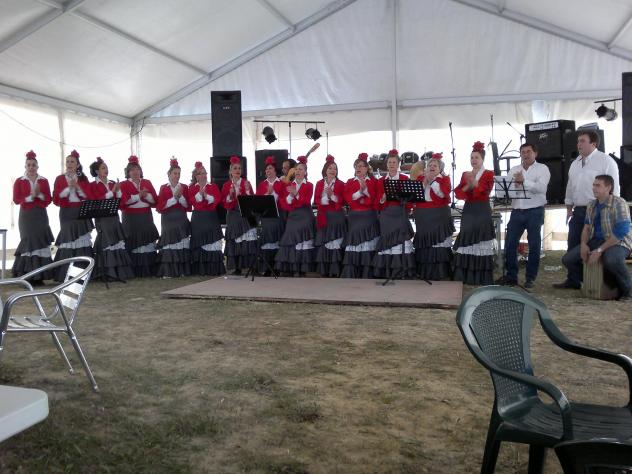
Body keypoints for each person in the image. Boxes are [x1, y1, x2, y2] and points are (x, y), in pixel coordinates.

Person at [557, 174, 631, 300]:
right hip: (596, 241)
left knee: (611, 260)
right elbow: (586, 228)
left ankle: (627, 290)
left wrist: (599, 250)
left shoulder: (619, 203)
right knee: (568, 259)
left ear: (608, 188)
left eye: (598, 185)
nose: (594, 188)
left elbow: (621, 231)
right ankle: (596, 283)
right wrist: (584, 244)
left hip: (619, 242)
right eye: (593, 185)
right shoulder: (591, 205)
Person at [560, 130, 620, 286]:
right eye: (578, 141)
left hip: (599, 210)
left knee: (595, 244)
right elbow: (570, 187)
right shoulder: (575, 163)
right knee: (573, 244)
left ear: (593, 144)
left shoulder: (606, 161)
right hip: (579, 210)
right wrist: (569, 208)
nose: (578, 144)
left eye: (582, 141)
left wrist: (610, 211)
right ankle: (574, 280)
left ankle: (598, 282)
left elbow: (615, 189)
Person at [497, 143, 550, 288]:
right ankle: (511, 276)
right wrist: (514, 186)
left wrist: (524, 181)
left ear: (535, 153)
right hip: (517, 211)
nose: (525, 154)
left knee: (534, 245)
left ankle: (530, 278)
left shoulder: (542, 169)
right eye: (523, 152)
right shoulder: (514, 169)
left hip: (535, 211)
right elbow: (505, 191)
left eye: (528, 151)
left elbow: (541, 188)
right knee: (510, 243)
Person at [453, 141, 496, 285]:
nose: (473, 160)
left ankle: (481, 277)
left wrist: (475, 184)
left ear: (482, 159)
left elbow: (486, 191)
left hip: (482, 209)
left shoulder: (489, 173)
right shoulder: (465, 174)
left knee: (481, 240)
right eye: (471, 157)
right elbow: (459, 193)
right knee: (467, 239)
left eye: (476, 157)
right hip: (469, 209)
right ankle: (465, 276)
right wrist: (468, 185)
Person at [88, 157, 134, 281]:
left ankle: (120, 272)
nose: (106, 170)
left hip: (114, 217)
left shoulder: (112, 183)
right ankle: (109, 272)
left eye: (106, 167)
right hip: (102, 218)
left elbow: (121, 202)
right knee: (107, 242)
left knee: (117, 241)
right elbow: (95, 201)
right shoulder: (92, 185)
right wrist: (112, 191)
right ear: (97, 171)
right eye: (103, 168)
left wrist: (118, 192)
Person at [11, 150, 54, 282]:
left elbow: (48, 199)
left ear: (37, 166)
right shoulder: (19, 181)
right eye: (28, 165)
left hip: (40, 216)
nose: (31, 167)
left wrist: (39, 195)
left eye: (33, 165)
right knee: (28, 241)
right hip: (26, 217)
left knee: (40, 241)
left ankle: (41, 276)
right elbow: (16, 199)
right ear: (25, 166)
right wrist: (31, 196)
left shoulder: (44, 181)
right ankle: (28, 276)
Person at [373, 149, 415, 279]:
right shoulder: (380, 181)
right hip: (386, 216)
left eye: (394, 162)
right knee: (387, 241)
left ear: (398, 164)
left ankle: (402, 272)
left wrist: (404, 202)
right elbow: (376, 202)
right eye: (389, 162)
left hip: (400, 214)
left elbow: (410, 201)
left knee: (401, 241)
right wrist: (382, 199)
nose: (391, 164)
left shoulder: (404, 178)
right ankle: (387, 272)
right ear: (386, 164)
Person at [52, 149, 94, 281]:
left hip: (81, 212)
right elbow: (56, 199)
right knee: (68, 240)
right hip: (66, 213)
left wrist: (77, 187)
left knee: (81, 239)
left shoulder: (83, 178)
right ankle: (65, 274)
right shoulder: (59, 179)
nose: (69, 164)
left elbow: (89, 197)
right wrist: (69, 188)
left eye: (72, 162)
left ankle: (83, 273)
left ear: (77, 164)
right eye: (68, 161)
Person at [413, 153, 455, 280]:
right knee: (425, 244)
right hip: (423, 216)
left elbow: (442, 194)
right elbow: (415, 196)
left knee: (438, 242)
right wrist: (425, 182)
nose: (431, 167)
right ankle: (424, 272)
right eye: (429, 165)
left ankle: (440, 273)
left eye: (435, 165)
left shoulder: (445, 179)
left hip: (439, 215)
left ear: (440, 168)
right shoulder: (421, 178)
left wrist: (432, 181)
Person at [275, 156, 316, 276]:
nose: (298, 171)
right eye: (297, 169)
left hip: (305, 215)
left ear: (305, 172)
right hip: (293, 216)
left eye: (301, 169)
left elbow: (306, 201)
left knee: (303, 241)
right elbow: (284, 203)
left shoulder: (309, 185)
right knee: (290, 238)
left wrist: (296, 194)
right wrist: (291, 196)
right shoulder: (288, 185)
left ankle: (303, 269)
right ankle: (291, 268)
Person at [341, 153, 380, 278]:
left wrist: (365, 193)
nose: (358, 168)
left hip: (369, 217)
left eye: (361, 166)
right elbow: (348, 199)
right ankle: (352, 273)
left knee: (367, 243)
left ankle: (366, 273)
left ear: (367, 168)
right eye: (356, 166)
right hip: (355, 218)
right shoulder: (350, 182)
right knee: (354, 244)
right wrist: (360, 192)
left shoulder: (373, 182)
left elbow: (374, 200)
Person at [119, 155, 159, 277]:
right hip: (130, 218)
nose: (135, 172)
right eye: (132, 170)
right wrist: (139, 195)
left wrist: (146, 196)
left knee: (147, 240)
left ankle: (149, 269)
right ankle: (134, 271)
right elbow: (124, 201)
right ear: (128, 172)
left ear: (141, 171)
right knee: (133, 241)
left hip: (146, 216)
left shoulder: (147, 182)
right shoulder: (123, 184)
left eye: (137, 169)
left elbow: (155, 201)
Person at [156, 158, 191, 278]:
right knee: (170, 244)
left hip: (181, 219)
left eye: (179, 173)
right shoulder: (163, 187)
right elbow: (160, 207)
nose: (177, 176)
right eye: (175, 173)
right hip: (168, 221)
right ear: (169, 174)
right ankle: (169, 271)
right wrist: (174, 198)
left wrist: (180, 197)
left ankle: (182, 271)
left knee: (181, 243)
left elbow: (188, 206)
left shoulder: (184, 187)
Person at [221, 155, 256, 275]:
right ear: (230, 171)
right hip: (233, 216)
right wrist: (231, 196)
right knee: (235, 240)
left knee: (246, 240)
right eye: (235, 168)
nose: (238, 170)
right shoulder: (226, 185)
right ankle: (237, 267)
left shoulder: (246, 183)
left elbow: (252, 202)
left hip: (245, 216)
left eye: (239, 168)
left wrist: (247, 191)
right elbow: (225, 204)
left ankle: (249, 266)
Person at [189, 161, 225, 276]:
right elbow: (193, 202)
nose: (203, 175)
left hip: (211, 217)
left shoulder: (212, 186)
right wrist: (200, 194)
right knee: (199, 242)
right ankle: (200, 269)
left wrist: (206, 196)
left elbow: (216, 200)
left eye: (204, 172)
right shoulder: (192, 188)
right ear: (196, 176)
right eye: (200, 173)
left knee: (212, 241)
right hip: (198, 219)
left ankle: (213, 269)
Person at [313, 154, 346, 277]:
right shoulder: (319, 183)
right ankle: (324, 270)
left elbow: (343, 201)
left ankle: (335, 270)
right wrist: (324, 198)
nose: (333, 170)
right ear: (325, 170)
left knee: (335, 243)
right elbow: (316, 200)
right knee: (324, 243)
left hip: (336, 217)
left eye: (335, 168)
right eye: (330, 168)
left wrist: (332, 195)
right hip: (323, 217)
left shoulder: (341, 184)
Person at [256, 156, 285, 275]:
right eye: (267, 169)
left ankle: (276, 268)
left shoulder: (281, 184)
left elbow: (283, 201)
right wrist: (267, 194)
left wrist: (272, 193)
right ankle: (267, 268)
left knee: (276, 241)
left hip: (277, 218)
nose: (268, 170)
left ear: (275, 170)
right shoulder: (261, 185)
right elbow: (258, 203)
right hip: (266, 219)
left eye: (270, 168)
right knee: (266, 242)